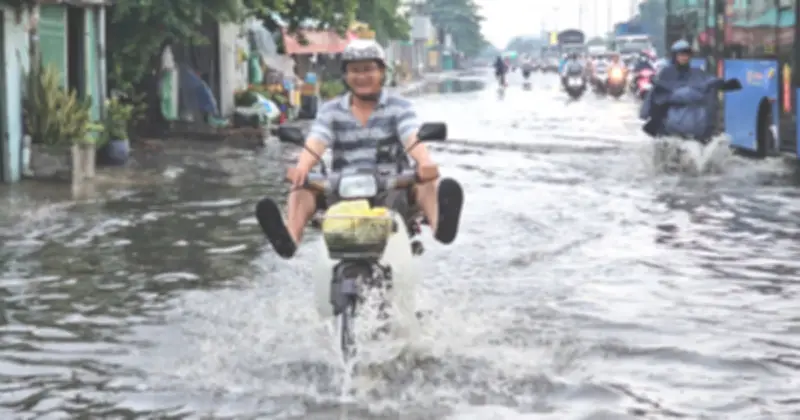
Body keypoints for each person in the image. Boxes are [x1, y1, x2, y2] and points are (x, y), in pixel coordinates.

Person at [256, 39, 464, 259]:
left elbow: (411, 135)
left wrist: (424, 162)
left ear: (382, 71)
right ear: (345, 75)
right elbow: (317, 139)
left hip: (394, 188)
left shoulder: (399, 107)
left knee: (427, 181)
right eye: (355, 70)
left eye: (368, 69)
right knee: (301, 186)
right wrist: (302, 166)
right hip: (341, 190)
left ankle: (439, 227)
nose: (362, 76)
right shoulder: (330, 110)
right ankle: (289, 239)